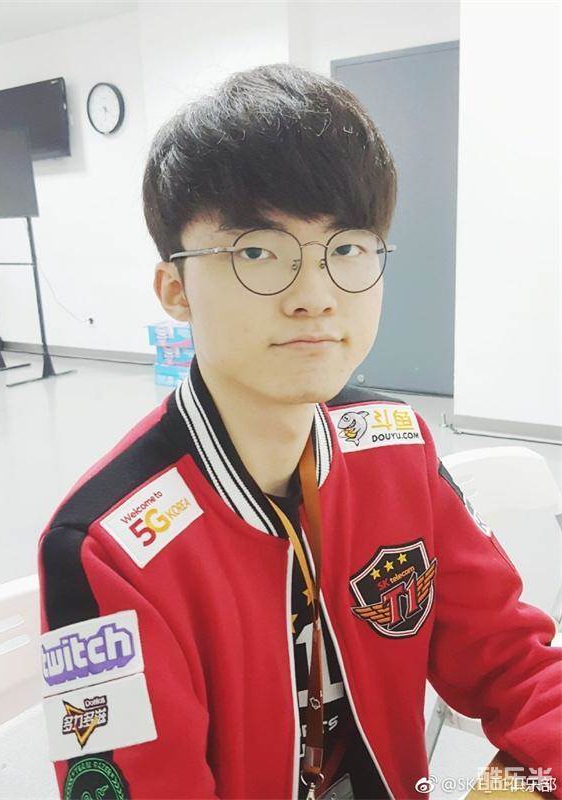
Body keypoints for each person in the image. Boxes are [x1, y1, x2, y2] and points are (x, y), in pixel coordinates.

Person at [37, 63, 562, 800]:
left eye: (346, 249)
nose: (315, 297)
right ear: (176, 289)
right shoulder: (105, 548)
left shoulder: (398, 447)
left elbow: (520, 667)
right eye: (257, 251)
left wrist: (517, 787)